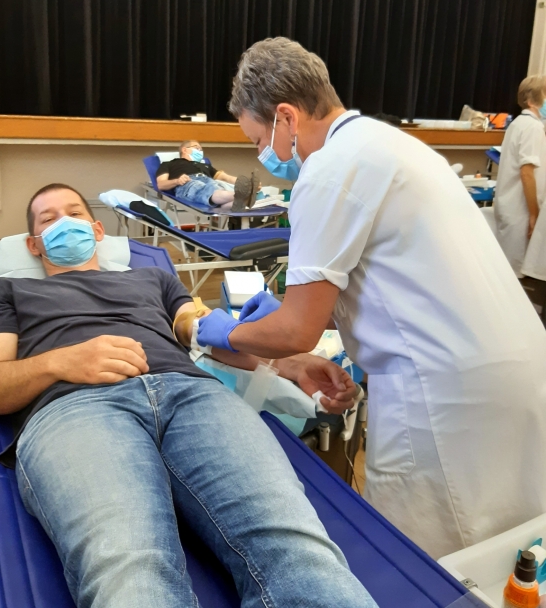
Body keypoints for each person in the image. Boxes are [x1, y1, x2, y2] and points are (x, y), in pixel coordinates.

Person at [0, 183, 417, 608]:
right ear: (33, 244)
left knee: (292, 541)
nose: (64, 222)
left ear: (96, 229)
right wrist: (59, 363)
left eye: (74, 212)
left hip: (190, 395)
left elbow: (209, 334)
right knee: (130, 565)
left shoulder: (150, 280)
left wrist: (292, 362)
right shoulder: (9, 291)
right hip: (75, 407)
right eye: (48, 219)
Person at [198, 37, 546, 560]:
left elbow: (297, 329)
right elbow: (406, 281)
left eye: (257, 140)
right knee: (512, 559)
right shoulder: (390, 144)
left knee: (438, 574)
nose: (263, 156)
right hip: (514, 368)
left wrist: (220, 329)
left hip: (443, 397)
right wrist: (345, 363)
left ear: (286, 118)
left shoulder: (329, 170)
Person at [494, 75, 546, 277]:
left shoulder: (518, 124)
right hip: (521, 211)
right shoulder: (532, 127)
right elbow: (527, 173)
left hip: (511, 208)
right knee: (516, 276)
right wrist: (534, 214)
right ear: (532, 100)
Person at [156, 139, 259, 211]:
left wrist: (248, 183)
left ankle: (243, 196)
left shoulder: (205, 166)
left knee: (217, 187)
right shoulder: (170, 164)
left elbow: (225, 177)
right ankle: (245, 195)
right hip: (188, 183)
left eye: (201, 149)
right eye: (196, 148)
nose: (200, 151)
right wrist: (177, 181)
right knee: (210, 188)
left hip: (209, 182)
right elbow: (160, 184)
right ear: (184, 149)